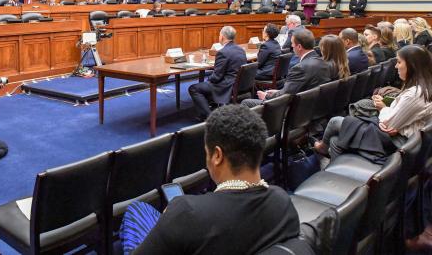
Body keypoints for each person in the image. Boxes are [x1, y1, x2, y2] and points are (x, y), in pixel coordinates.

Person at [126, 105, 300, 255]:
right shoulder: (282, 202)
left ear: (217, 155)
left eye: (207, 152)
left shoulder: (187, 213)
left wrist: (170, 220)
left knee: (137, 209)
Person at [315, 45, 432, 161]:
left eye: (399, 62)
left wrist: (383, 108)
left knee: (335, 122)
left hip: (398, 142)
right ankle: (335, 166)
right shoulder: (423, 87)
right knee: (335, 140)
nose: (396, 66)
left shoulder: (415, 93)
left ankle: (323, 149)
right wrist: (394, 120)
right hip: (404, 138)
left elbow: (388, 124)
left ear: (412, 66)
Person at [242, 29, 331, 107]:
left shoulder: (300, 68)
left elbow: (285, 97)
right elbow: (293, 89)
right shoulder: (322, 62)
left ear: (299, 47)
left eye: (292, 43)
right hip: (312, 106)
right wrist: (278, 91)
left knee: (246, 102)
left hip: (293, 109)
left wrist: (266, 96)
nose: (291, 46)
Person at [188, 26, 247, 121]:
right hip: (240, 83)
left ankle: (210, 117)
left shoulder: (223, 52)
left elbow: (216, 77)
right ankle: (204, 112)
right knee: (205, 85)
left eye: (219, 35)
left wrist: (208, 80)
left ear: (222, 37)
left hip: (226, 86)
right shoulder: (241, 49)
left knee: (194, 88)